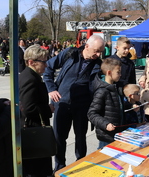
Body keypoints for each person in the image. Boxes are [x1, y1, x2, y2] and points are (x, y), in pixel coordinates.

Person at [43, 35, 105, 172]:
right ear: (86, 46)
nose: (98, 54)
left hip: (82, 106)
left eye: (101, 51)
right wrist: (51, 89)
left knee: (80, 138)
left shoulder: (98, 65)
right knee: (59, 138)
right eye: (96, 50)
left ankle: (80, 166)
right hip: (62, 103)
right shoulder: (70, 54)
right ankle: (59, 168)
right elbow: (48, 68)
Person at [19, 45, 53, 177]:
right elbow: (28, 108)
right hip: (34, 130)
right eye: (43, 62)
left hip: (34, 128)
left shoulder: (31, 75)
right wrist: (48, 109)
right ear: (31, 62)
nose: (46, 65)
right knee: (37, 168)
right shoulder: (30, 79)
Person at [87, 58, 124, 149]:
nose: (120, 75)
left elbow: (117, 105)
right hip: (106, 136)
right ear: (109, 73)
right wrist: (105, 124)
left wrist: (131, 106)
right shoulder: (102, 91)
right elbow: (91, 113)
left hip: (117, 133)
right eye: (118, 72)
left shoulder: (116, 87)